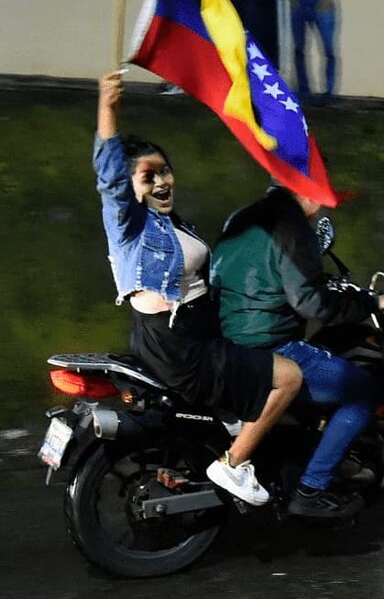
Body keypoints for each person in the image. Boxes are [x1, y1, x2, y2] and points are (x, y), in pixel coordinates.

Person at [93, 69, 302, 506]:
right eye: (148, 177)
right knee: (289, 378)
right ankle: (232, 464)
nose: (161, 182)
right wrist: (108, 108)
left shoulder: (174, 224)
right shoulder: (131, 225)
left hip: (193, 336)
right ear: (132, 188)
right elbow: (111, 179)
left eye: (165, 171)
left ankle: (220, 446)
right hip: (182, 347)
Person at [210, 183, 384, 518]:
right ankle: (312, 488)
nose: (324, 208)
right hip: (271, 343)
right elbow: (312, 303)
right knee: (365, 391)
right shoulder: (293, 226)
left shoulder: (242, 216)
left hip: (229, 339)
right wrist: (369, 302)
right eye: (324, 197)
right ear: (309, 191)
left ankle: (301, 457)